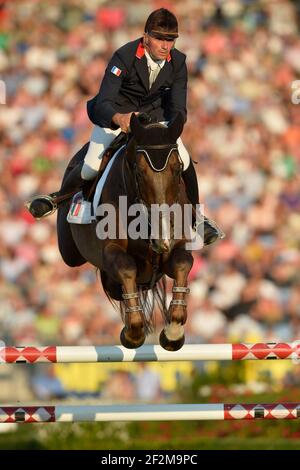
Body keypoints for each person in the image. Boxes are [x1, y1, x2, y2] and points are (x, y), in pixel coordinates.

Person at [27, 8, 224, 245]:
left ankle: (196, 218)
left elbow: (179, 107)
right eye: (160, 38)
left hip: (154, 121)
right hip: (117, 115)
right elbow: (103, 101)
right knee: (90, 165)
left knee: (183, 158)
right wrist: (120, 118)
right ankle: (57, 199)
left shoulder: (178, 61)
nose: (165, 45)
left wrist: (171, 130)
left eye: (170, 40)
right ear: (146, 37)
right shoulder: (124, 56)